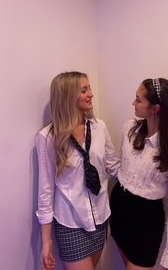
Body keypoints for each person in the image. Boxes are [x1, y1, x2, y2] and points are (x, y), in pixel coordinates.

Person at [35, 71, 120, 270]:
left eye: (89, 88)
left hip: (101, 217)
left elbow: (114, 167)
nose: (91, 94)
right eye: (84, 90)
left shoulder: (99, 127)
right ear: (67, 96)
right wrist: (45, 241)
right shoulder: (48, 137)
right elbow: (46, 191)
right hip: (70, 223)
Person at [110, 78, 168, 270]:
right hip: (119, 208)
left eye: (138, 100)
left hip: (146, 220)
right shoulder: (129, 128)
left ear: (155, 108)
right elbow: (123, 169)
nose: (133, 103)